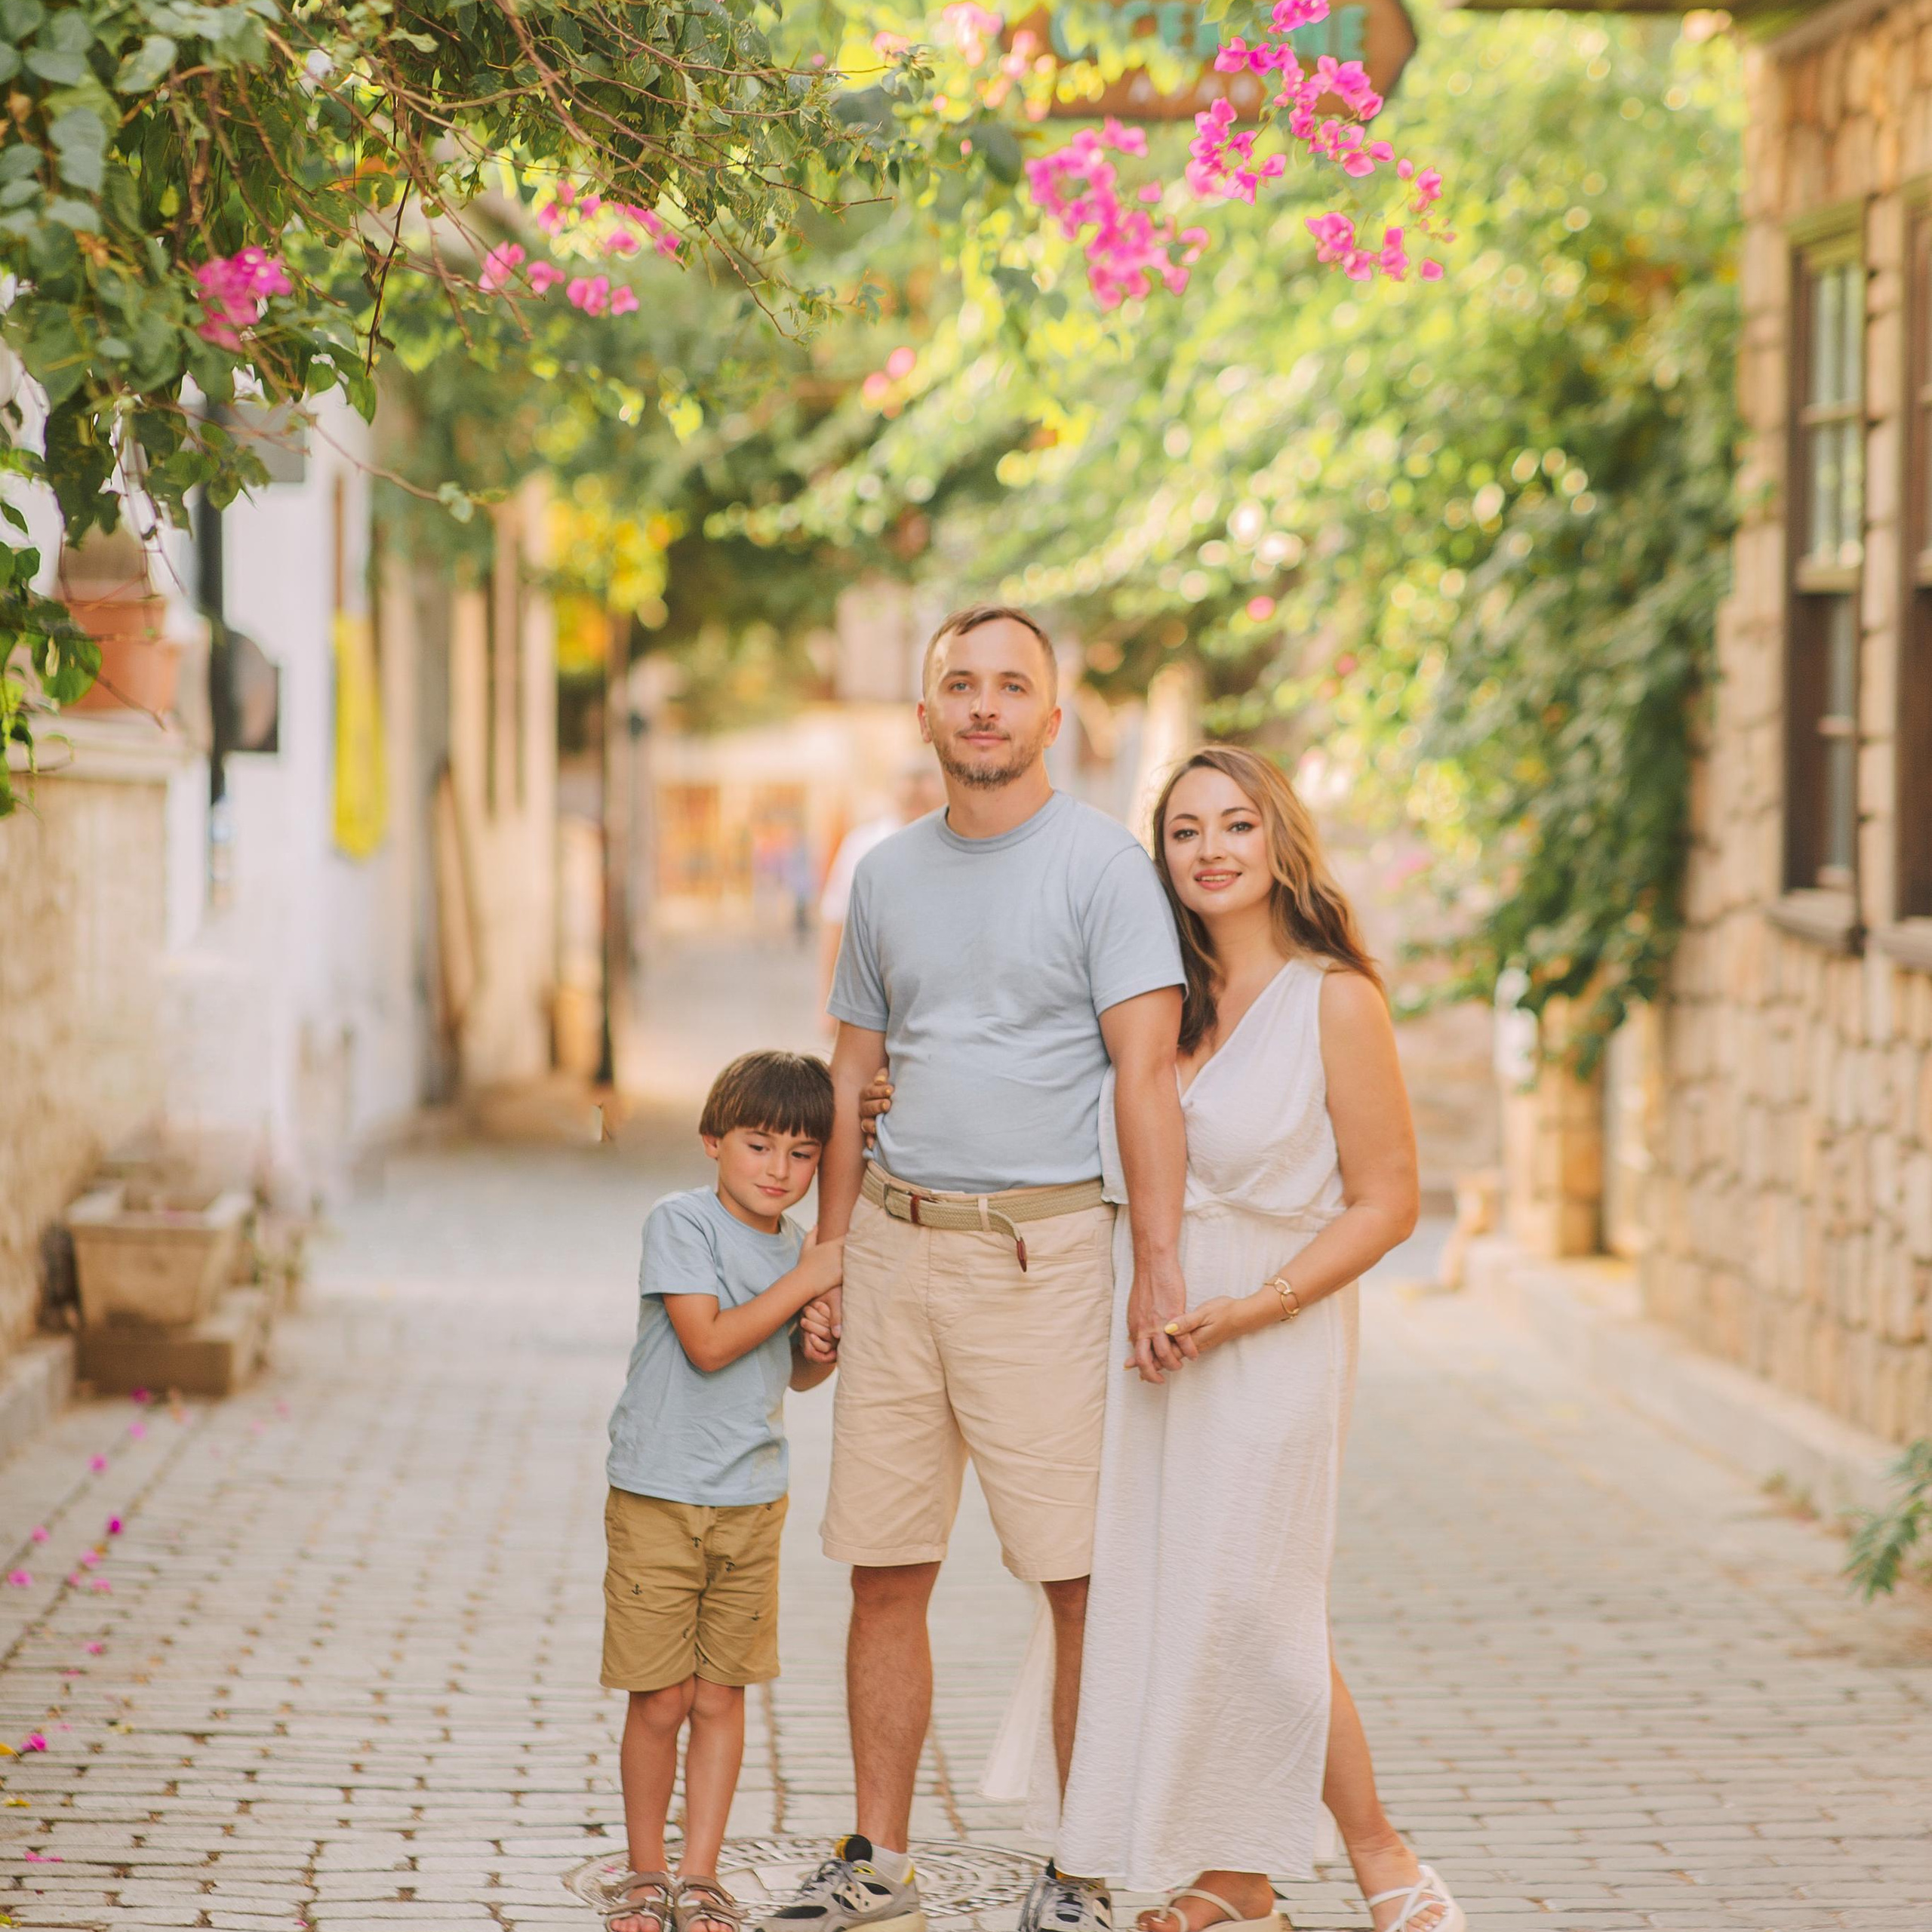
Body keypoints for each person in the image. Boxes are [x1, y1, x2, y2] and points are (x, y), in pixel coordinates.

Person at [761, 605, 1191, 1932]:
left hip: (1044, 1256)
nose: (986, 706)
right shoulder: (885, 875)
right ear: (930, 713)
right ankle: (876, 1862)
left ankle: (1080, 1864)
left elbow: (1146, 1074)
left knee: (1074, 1576)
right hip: (894, 1246)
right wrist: (828, 1257)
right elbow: (849, 1071)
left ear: (1053, 718)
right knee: (882, 1567)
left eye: (1013, 687)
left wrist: (1155, 1263)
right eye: (962, 685)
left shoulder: (1107, 869)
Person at [1056, 746, 1466, 1932]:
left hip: (1274, 1324)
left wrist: (1256, 1307)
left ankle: (1384, 1856)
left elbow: (1387, 1200)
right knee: (1184, 1592)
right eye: (1185, 832)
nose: (1212, 851)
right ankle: (1235, 1881)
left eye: (1236, 825)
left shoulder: (1336, 996)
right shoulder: (1152, 1002)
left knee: (1259, 1600)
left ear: (1281, 841)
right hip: (1154, 1327)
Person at [601, 1051, 844, 1932]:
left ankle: (700, 1875)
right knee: (660, 1695)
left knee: (720, 1696)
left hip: (750, 1495)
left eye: (802, 1153)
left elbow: (795, 1373)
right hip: (660, 1491)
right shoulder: (682, 1223)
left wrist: (822, 1343)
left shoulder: (799, 1249)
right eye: (758, 1145)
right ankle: (643, 1871)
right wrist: (806, 1284)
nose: (778, 1170)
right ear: (713, 1141)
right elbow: (705, 1342)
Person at [816, 765, 947, 1018]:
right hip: (875, 993)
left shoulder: (955, 844)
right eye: (910, 800)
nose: (916, 807)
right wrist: (827, 1002)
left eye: (924, 801)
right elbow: (835, 922)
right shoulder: (863, 844)